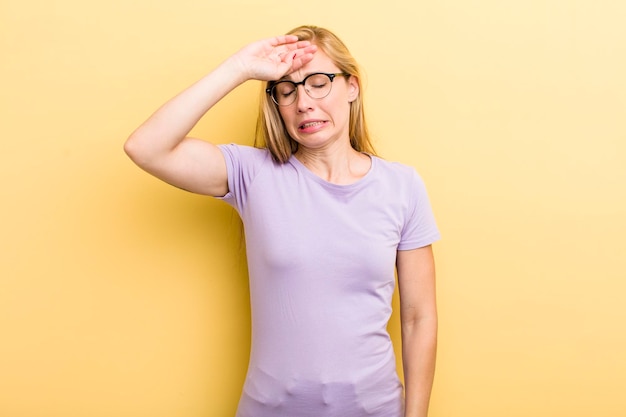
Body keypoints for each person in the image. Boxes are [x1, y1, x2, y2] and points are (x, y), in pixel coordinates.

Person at [124, 25, 440, 417]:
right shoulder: (252, 173)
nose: (303, 102)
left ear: (352, 87)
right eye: (287, 90)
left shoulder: (402, 185)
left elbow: (418, 317)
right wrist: (240, 67)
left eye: (319, 82)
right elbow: (145, 147)